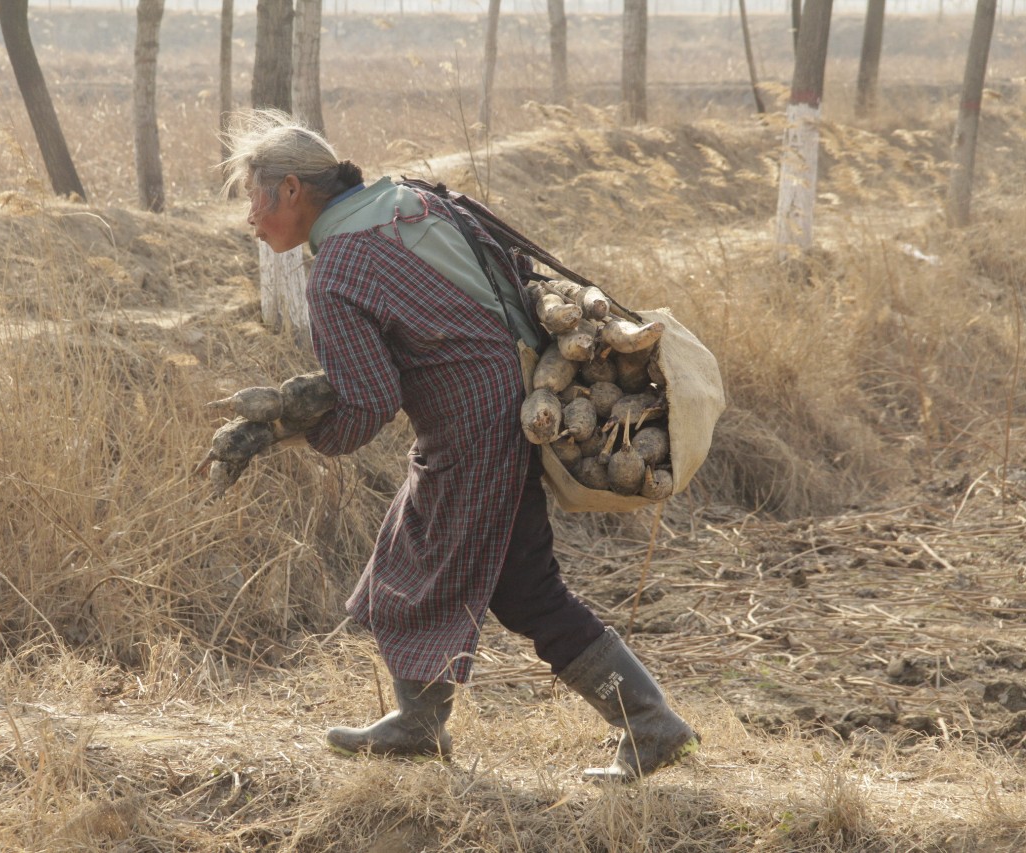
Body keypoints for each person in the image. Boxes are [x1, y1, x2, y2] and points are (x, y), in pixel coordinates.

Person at [221, 109, 698, 781]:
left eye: (253, 197)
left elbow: (365, 406)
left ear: (292, 190)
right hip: (518, 398)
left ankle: (650, 723)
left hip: (475, 426)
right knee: (412, 550)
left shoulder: (335, 274)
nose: (250, 217)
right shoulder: (405, 199)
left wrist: (281, 434)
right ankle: (420, 723)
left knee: (525, 588)